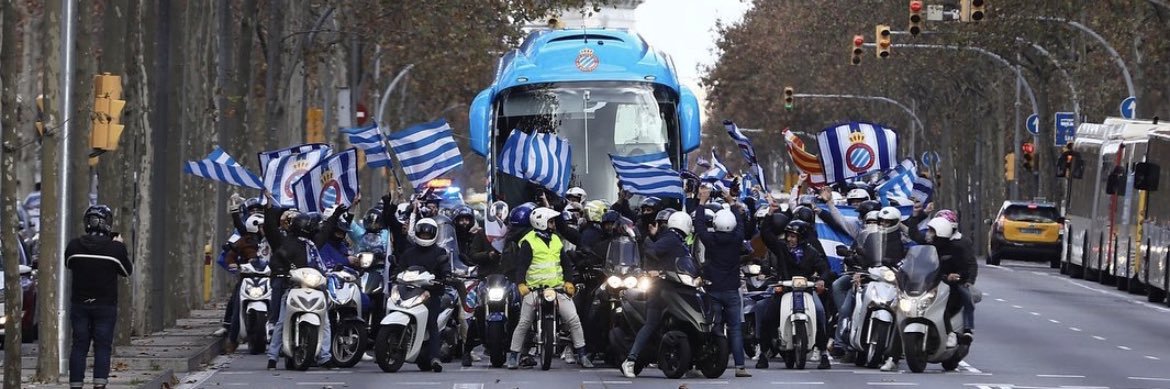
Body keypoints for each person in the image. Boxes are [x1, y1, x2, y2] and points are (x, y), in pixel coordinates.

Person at [506, 207, 593, 369]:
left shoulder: (556, 240)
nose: (554, 225)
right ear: (542, 223)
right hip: (534, 289)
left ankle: (582, 354)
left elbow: (566, 265)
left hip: (557, 288)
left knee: (573, 319)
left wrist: (568, 282)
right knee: (524, 322)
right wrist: (521, 284)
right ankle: (514, 355)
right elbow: (521, 266)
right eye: (551, 222)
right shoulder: (528, 242)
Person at [263, 191, 340, 370]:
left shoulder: (312, 244)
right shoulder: (284, 242)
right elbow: (270, 229)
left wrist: (336, 214)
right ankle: (273, 356)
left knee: (325, 321)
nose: (315, 229)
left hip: (314, 288)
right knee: (282, 321)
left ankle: (325, 356)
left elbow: (326, 231)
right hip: (293, 287)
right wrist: (268, 208)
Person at [619, 211, 695, 378]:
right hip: (660, 289)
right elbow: (653, 251)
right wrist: (657, 271)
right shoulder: (672, 238)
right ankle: (630, 360)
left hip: (674, 288)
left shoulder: (677, 240)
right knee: (651, 323)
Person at [66, 205, 132, 389]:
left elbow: (69, 264)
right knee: (102, 346)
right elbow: (127, 271)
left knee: (79, 345)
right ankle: (99, 384)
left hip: (80, 303)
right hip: (105, 305)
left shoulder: (74, 246)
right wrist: (120, 246)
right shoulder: (115, 249)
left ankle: (76, 384)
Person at [756, 219, 832, 369]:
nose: (789, 239)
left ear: (801, 238)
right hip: (784, 290)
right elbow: (766, 236)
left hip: (806, 291)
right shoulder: (781, 248)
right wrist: (769, 216)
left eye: (793, 236)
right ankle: (763, 353)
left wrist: (822, 280)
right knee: (767, 316)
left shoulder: (811, 252)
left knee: (819, 312)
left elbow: (825, 268)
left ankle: (823, 353)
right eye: (788, 236)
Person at [692, 201, 753, 377]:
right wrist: (732, 204)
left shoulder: (711, 240)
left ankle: (711, 361)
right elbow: (740, 224)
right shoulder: (737, 239)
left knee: (714, 326)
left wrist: (701, 204)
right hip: (732, 290)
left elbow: (700, 226)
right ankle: (740, 366)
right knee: (735, 328)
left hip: (713, 290)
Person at [389, 217, 453, 372]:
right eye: (422, 234)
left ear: (434, 235)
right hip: (408, 290)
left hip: (431, 293)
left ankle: (435, 357)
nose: (424, 236)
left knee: (432, 323)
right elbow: (400, 267)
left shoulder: (439, 252)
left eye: (427, 234)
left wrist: (445, 276)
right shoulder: (409, 252)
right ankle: (387, 346)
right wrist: (395, 274)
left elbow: (445, 267)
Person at [926, 217, 977, 346]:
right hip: (928, 286)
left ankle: (959, 331)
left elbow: (965, 268)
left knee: (964, 297)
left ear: (940, 232)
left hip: (949, 287)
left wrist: (956, 276)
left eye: (932, 231)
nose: (928, 234)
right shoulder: (928, 249)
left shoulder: (956, 248)